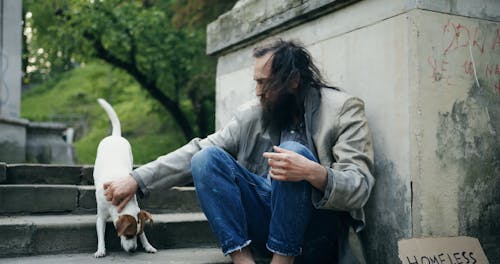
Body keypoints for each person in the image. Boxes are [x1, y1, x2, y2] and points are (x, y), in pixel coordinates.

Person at [103, 39, 374, 264]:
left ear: (293, 81)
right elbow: (197, 150)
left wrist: (313, 172)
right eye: (255, 82)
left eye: (264, 83)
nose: (257, 92)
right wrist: (137, 179)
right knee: (205, 158)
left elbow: (359, 186)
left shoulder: (342, 110)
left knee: (292, 151)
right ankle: (242, 259)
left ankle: (282, 260)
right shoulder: (252, 115)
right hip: (264, 228)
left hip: (316, 235)